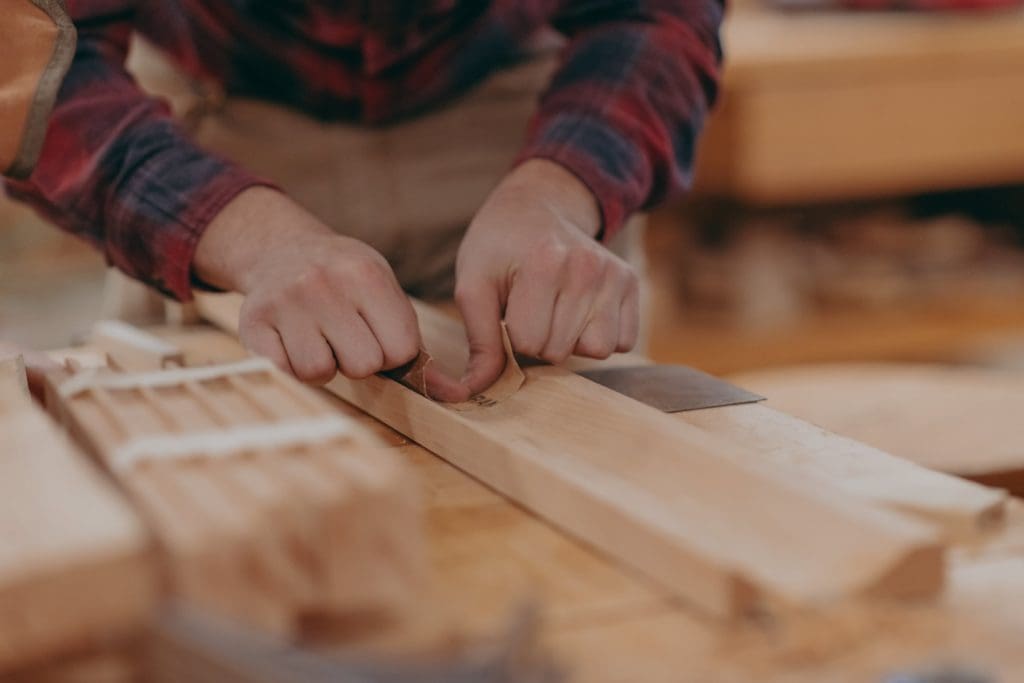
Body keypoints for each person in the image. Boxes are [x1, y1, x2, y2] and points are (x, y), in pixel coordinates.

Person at [5, 2, 723, 401]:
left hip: (512, 104)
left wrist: (562, 189)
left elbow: (657, 11)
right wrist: (251, 237)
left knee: (587, 430)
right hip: (219, 119)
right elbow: (32, 62)